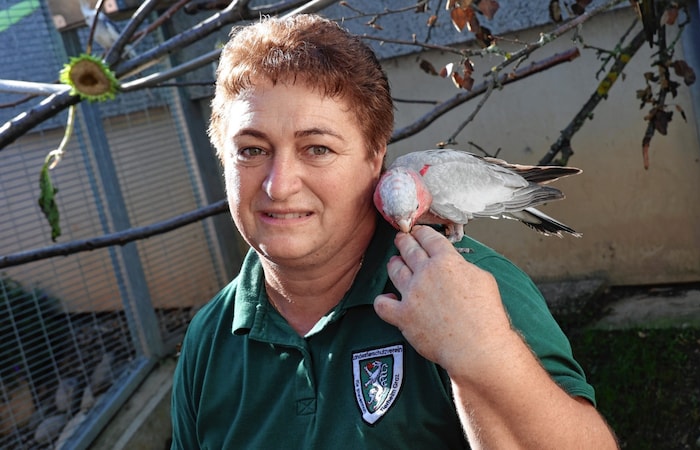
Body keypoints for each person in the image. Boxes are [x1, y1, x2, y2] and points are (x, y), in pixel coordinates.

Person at [171, 13, 618, 449]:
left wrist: (485, 353)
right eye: (252, 149)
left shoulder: (475, 288)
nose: (279, 184)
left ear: (375, 157)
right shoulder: (210, 337)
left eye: (318, 148)